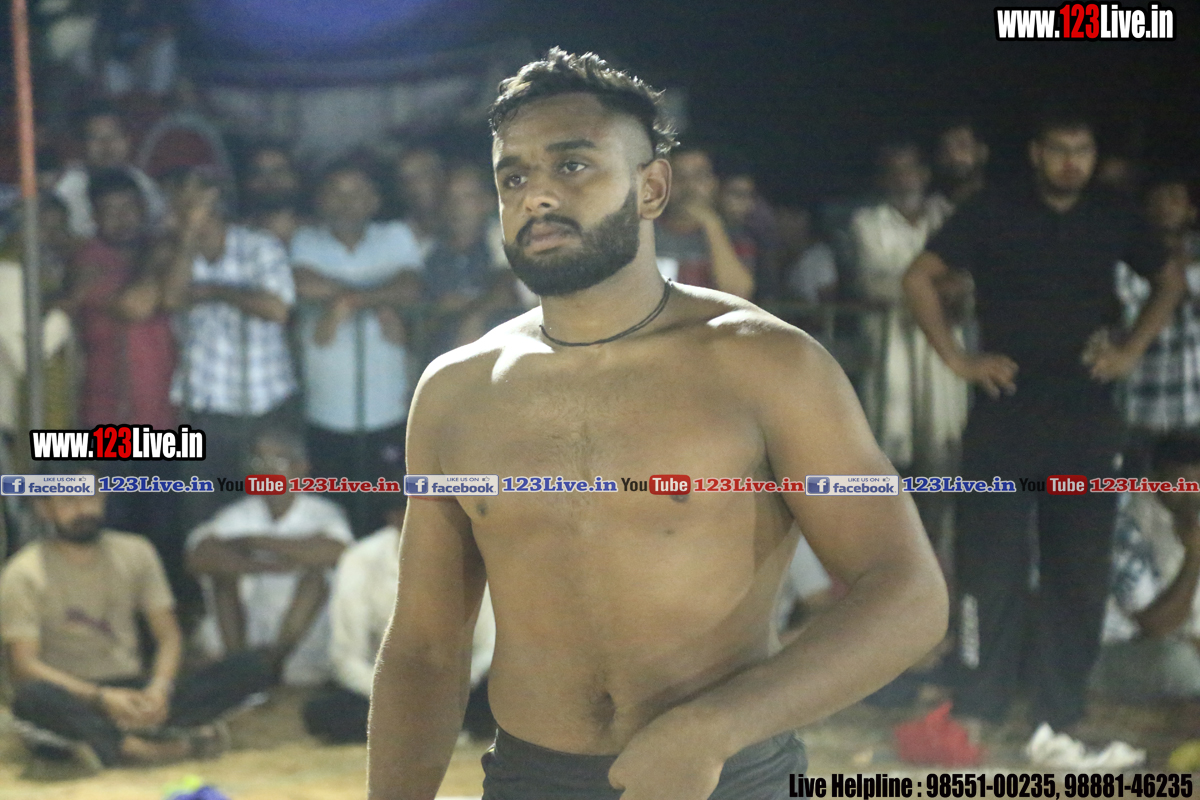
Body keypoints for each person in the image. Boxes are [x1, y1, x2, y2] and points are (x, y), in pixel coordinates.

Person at [368, 49, 948, 800]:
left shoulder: (767, 364)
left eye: (572, 165)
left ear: (652, 188)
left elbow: (908, 593)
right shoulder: (456, 391)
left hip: (727, 778)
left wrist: (714, 728)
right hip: (529, 780)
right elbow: (423, 649)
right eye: (513, 177)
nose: (537, 195)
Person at [904, 107, 1186, 732]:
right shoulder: (993, 209)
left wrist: (1130, 351)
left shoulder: (1114, 213)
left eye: (1082, 150)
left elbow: (1170, 279)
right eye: (1059, 149)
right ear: (1036, 153)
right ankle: (981, 700)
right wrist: (958, 358)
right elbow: (918, 278)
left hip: (1085, 414)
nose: (1071, 163)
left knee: (1079, 568)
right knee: (988, 563)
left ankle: (1061, 710)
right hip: (1005, 410)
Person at [0, 462, 273, 769]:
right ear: (43, 508)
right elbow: (24, 666)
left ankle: (121, 736)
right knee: (32, 699)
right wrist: (101, 697)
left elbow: (168, 635)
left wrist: (159, 689)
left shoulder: (136, 552)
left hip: (134, 690)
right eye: (69, 501)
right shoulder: (22, 573)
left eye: (91, 497)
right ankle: (137, 747)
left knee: (251, 667)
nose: (83, 509)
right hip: (72, 696)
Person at [291, 161, 423, 537]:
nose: (346, 202)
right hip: (326, 411)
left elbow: (411, 287)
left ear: (375, 200)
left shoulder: (394, 235)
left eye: (357, 193)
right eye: (336, 193)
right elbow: (300, 283)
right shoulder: (307, 240)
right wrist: (374, 296)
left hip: (388, 408)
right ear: (320, 200)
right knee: (333, 517)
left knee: (392, 515)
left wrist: (348, 302)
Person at [162, 170, 300, 529]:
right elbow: (172, 298)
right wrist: (188, 238)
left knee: (268, 514)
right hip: (205, 410)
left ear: (213, 206)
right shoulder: (175, 253)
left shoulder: (259, 247)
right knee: (205, 517)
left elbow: (277, 308)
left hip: (264, 407)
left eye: (186, 205)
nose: (173, 214)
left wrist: (214, 291)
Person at [303, 494, 497, 744]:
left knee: (509, 697)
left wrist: (450, 690)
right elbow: (346, 657)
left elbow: (488, 647)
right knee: (325, 713)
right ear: (394, 517)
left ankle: (425, 730)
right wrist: (396, 695)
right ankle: (428, 731)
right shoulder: (360, 559)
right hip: (385, 688)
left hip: (457, 686)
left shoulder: (473, 555)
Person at [186, 428, 353, 686]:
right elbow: (199, 557)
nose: (266, 470)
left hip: (303, 640)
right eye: (258, 462)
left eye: (277, 462)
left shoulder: (323, 513)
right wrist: (264, 564)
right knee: (223, 578)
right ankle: (238, 671)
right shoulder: (237, 514)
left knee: (316, 577)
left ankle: (271, 667)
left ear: (301, 468)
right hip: (245, 632)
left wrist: (255, 542)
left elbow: (338, 552)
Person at [61, 168, 175, 431]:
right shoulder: (89, 261)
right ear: (94, 217)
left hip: (161, 406)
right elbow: (136, 306)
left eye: (128, 208)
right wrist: (156, 259)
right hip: (109, 409)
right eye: (109, 211)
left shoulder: (155, 246)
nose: (122, 219)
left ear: (143, 209)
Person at [1095, 434, 1200, 700]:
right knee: (1182, 665)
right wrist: (1194, 555)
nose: (1192, 493)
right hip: (1120, 652)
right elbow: (1157, 626)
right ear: (1155, 479)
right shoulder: (1127, 529)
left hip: (1186, 643)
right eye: (1180, 483)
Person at [1117, 175, 1200, 475]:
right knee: (1127, 489)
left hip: (1194, 406)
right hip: (1139, 404)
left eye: (1175, 197)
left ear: (1191, 210)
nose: (1166, 205)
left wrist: (1173, 284)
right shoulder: (1125, 252)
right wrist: (1180, 281)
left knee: (1188, 495)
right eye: (1158, 197)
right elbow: (1130, 298)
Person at [423, 163, 524, 356]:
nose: (457, 206)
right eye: (450, 198)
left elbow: (507, 291)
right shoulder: (433, 253)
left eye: (467, 197)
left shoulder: (505, 241)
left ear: (488, 202)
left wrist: (473, 312)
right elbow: (423, 321)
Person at [54, 102, 168, 238]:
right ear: (82, 145)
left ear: (128, 140)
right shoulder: (69, 188)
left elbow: (157, 226)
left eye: (114, 136)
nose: (107, 146)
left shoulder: (140, 180)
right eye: (95, 138)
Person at [654, 146, 755, 299]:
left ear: (714, 183)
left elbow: (738, 293)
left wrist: (711, 224)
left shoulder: (736, 236)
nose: (689, 186)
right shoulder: (643, 232)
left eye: (699, 176)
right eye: (679, 177)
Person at [933, 120, 989, 209]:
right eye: (945, 150)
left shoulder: (1002, 205)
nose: (954, 156)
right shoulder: (930, 210)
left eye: (962, 146)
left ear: (982, 152)